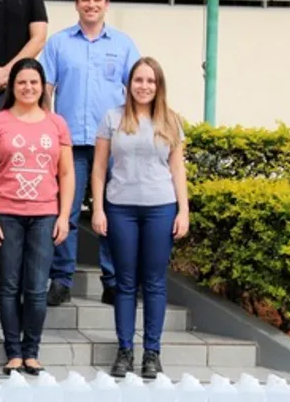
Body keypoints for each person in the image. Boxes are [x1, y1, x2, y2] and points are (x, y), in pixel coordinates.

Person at [40, 0, 141, 307]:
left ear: (106, 4)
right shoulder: (58, 44)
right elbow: (46, 90)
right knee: (65, 212)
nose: (91, 5)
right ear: (77, 3)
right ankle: (61, 279)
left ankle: (113, 281)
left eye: (98, 0)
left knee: (112, 211)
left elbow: (137, 91)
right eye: (86, 0)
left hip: (112, 145)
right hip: (69, 144)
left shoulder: (124, 45)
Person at [89, 57, 189, 379]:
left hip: (161, 207)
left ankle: (152, 353)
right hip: (121, 208)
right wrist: (99, 209)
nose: (144, 86)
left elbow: (177, 170)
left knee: (156, 283)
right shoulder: (112, 118)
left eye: (150, 81)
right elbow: (99, 168)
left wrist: (183, 211)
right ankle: (124, 351)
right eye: (138, 80)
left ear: (158, 86)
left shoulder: (171, 121)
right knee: (125, 282)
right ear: (129, 84)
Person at [0, 58, 74, 375]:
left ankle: (32, 351)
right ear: (13, 86)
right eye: (22, 82)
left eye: (34, 82)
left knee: (35, 287)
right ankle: (13, 352)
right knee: (9, 286)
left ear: (42, 86)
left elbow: (67, 173)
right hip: (6, 214)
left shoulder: (56, 124)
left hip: (45, 214)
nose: (28, 88)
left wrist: (63, 217)